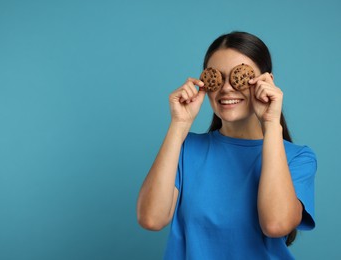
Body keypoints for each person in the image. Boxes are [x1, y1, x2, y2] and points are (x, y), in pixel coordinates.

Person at [136, 31, 317, 259]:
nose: (227, 88)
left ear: (266, 82)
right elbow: (151, 219)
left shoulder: (298, 158)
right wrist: (179, 124)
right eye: (218, 77)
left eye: (239, 76)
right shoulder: (185, 149)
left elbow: (276, 224)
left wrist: (271, 123)